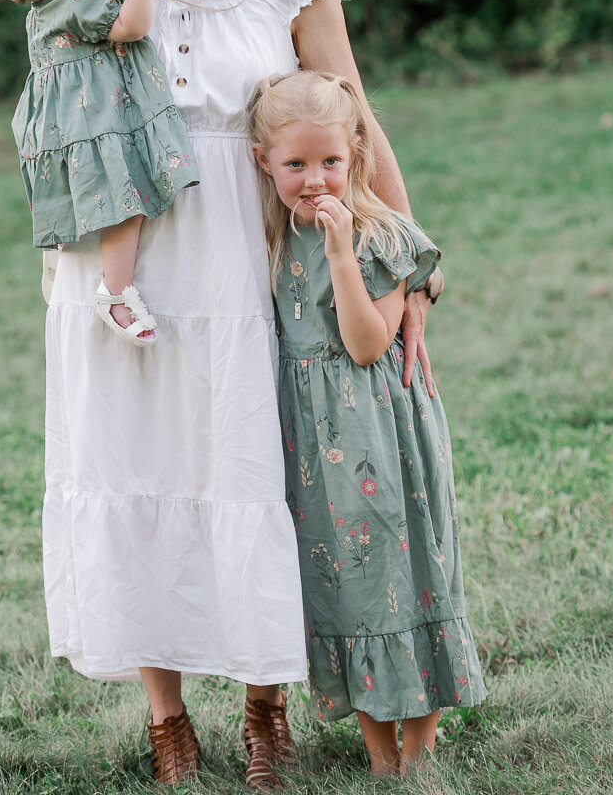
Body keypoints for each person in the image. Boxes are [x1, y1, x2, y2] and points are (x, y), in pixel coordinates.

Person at [40, 0, 442, 788]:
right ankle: (168, 717)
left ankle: (266, 703)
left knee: (254, 470)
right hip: (128, 275)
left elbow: (356, 119)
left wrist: (416, 266)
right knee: (140, 468)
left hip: (254, 269)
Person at [248, 69, 486, 777]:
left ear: (355, 150)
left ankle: (418, 751)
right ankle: (379, 755)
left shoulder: (375, 235)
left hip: (382, 436)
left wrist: (341, 253)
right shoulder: (273, 235)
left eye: (329, 160)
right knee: (349, 583)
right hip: (317, 448)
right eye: (295, 164)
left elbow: (364, 343)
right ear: (264, 162)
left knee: (405, 572)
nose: (314, 178)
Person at [0, 0, 198, 342]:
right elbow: (133, 27)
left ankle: (68, 268)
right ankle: (116, 290)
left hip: (68, 129)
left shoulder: (43, 10)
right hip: (98, 122)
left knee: (104, 198)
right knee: (124, 201)